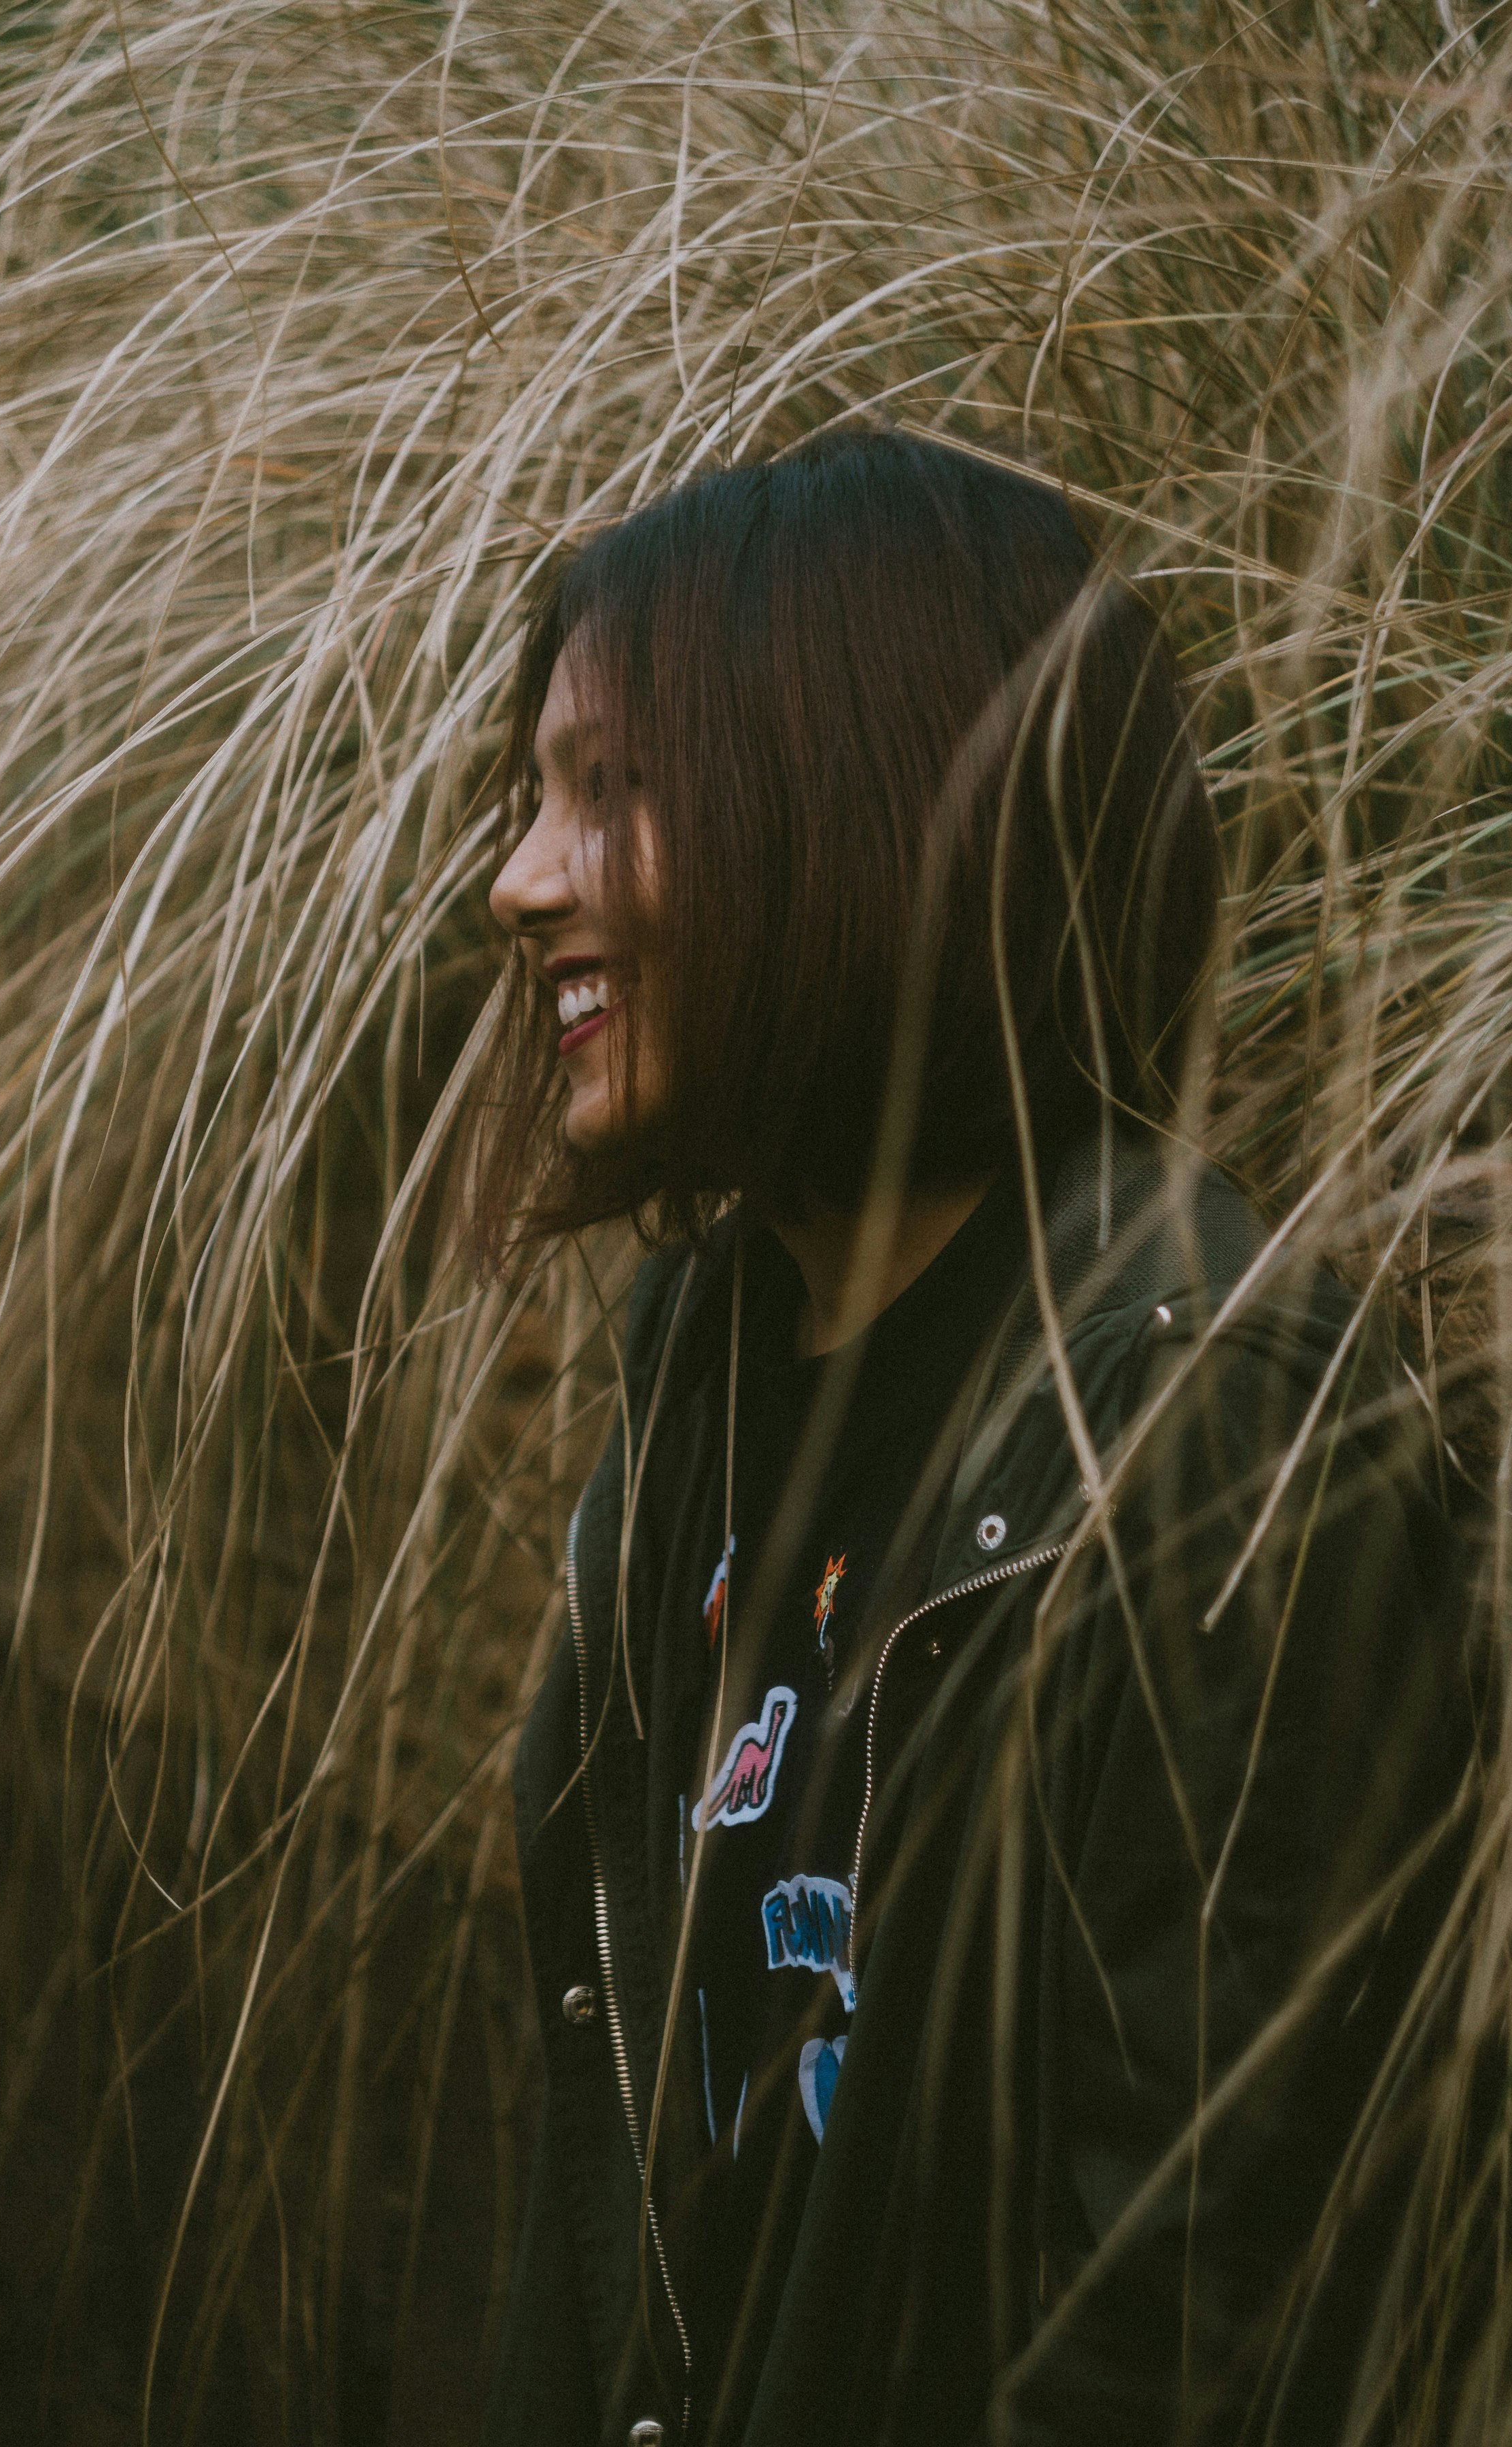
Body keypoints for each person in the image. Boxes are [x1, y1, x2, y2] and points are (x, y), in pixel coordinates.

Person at [472, 430, 1476, 2446]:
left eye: (613, 791)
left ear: (846, 809)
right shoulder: (713, 1353)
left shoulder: (1210, 1433)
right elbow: (615, 2170)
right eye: (532, 797)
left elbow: (1170, 2330)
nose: (521, 880)